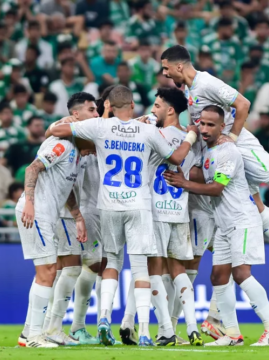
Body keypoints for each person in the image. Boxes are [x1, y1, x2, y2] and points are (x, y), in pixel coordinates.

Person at [50, 85, 197, 346]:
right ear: (131, 105)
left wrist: (69, 120)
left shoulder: (99, 127)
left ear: (108, 106)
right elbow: (175, 159)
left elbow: (55, 131)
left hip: (108, 205)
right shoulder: (147, 129)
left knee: (112, 264)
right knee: (140, 268)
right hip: (138, 204)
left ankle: (104, 317)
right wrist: (189, 138)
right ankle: (142, 332)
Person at [160, 45, 269, 288]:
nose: (165, 73)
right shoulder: (190, 90)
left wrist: (234, 138)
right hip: (222, 154)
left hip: (241, 148)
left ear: (179, 66)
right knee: (256, 207)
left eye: (166, 68)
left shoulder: (206, 82)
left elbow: (243, 103)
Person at [164, 105, 269, 347]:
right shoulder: (207, 151)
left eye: (211, 125)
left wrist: (183, 183)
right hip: (223, 223)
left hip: (242, 220)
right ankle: (232, 334)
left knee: (240, 274)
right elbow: (198, 173)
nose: (205, 129)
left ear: (222, 127)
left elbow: (216, 188)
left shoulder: (229, 151)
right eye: (202, 123)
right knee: (218, 276)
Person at [120, 87, 203, 347]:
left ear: (169, 110)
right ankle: (192, 327)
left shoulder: (153, 133)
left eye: (156, 105)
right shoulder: (192, 139)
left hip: (153, 210)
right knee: (179, 270)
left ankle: (166, 329)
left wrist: (137, 122)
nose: (152, 110)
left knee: (152, 269)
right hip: (179, 209)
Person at [15, 115, 94, 348]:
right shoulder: (62, 146)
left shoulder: (76, 155)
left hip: (46, 214)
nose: (95, 148)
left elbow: (65, 188)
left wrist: (77, 215)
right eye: (94, 141)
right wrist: (30, 202)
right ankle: (34, 338)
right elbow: (33, 168)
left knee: (46, 272)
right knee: (48, 271)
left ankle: (28, 333)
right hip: (36, 212)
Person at [41, 92, 99, 346]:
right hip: (65, 212)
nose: (96, 114)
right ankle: (52, 327)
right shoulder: (69, 133)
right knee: (72, 268)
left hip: (72, 211)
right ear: (77, 114)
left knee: (69, 268)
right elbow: (49, 132)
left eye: (97, 110)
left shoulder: (88, 130)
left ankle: (51, 327)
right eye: (92, 109)